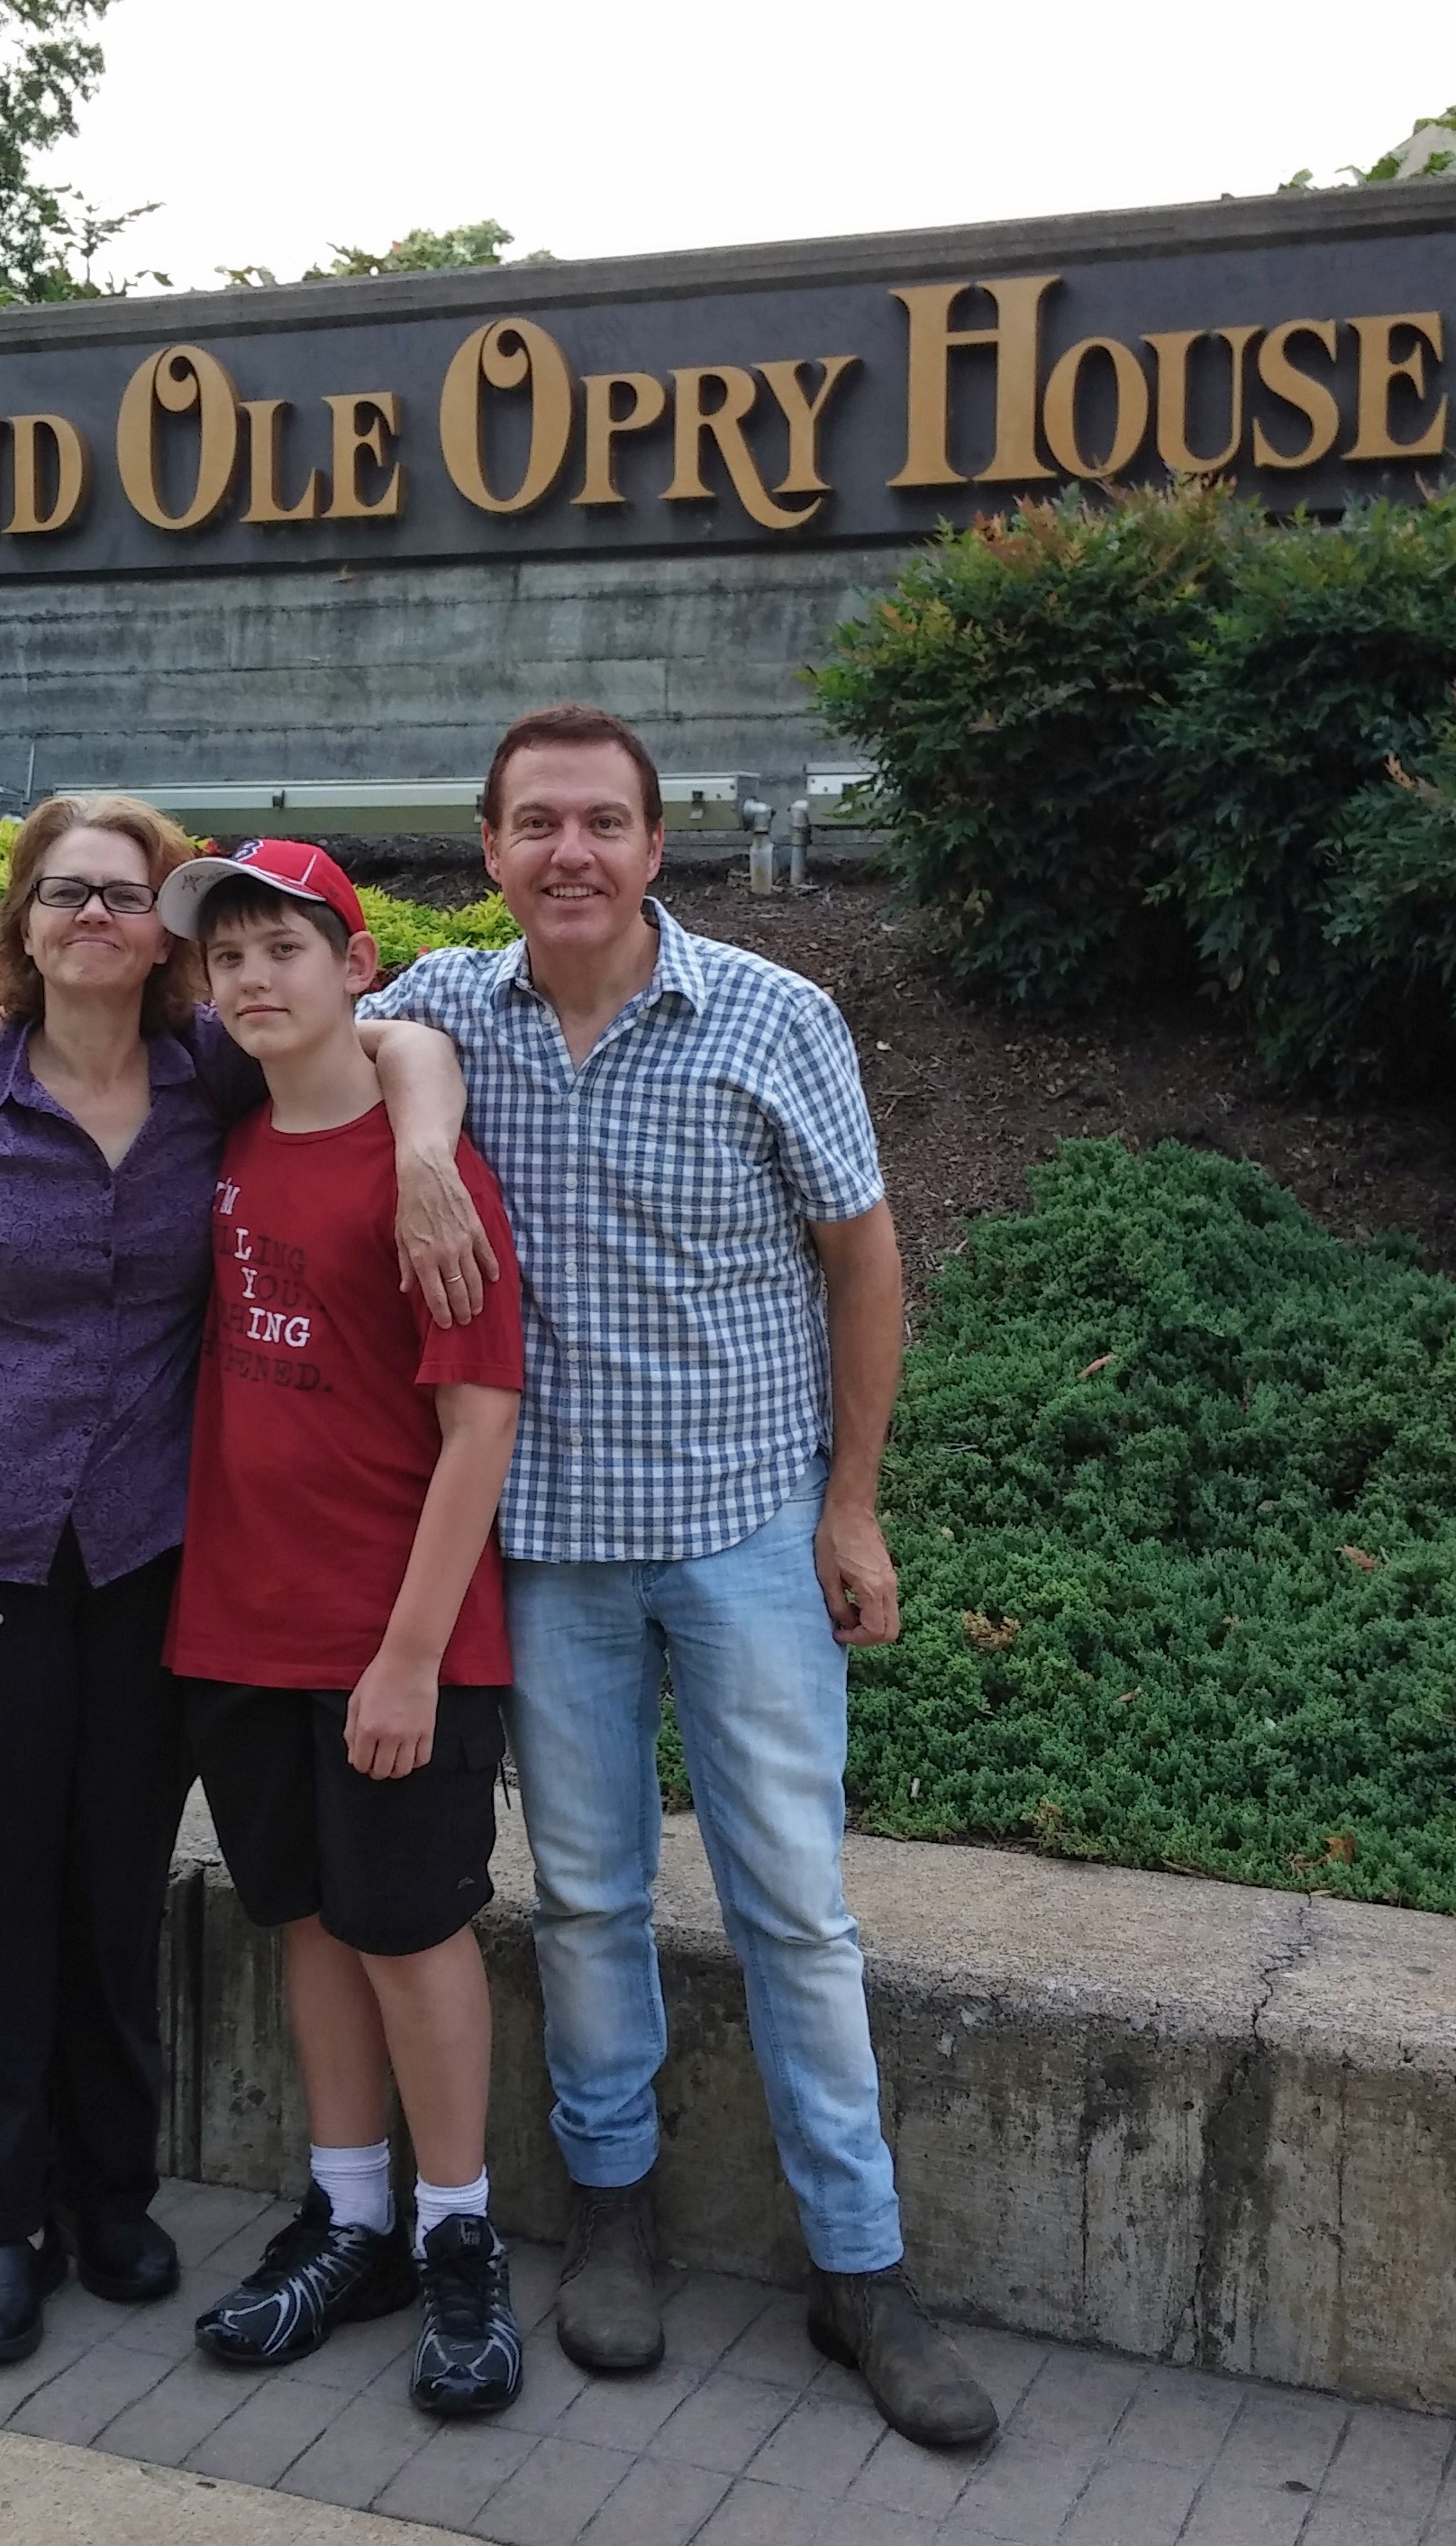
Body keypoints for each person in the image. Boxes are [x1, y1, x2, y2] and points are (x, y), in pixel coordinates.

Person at [355, 706, 999, 2451]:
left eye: (603, 822)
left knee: (793, 1903)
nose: (570, 851)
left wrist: (851, 1507)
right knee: (584, 1898)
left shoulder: (772, 1018)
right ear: (488, 850)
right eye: (536, 822)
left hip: (744, 1534)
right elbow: (268, 1029)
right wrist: (416, 1140)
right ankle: (613, 2213)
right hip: (549, 1549)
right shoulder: (443, 1005)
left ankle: (860, 2265)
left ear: (656, 846)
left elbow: (864, 1263)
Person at [0, 796, 487, 2371]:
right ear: (24, 917)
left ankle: (111, 2194)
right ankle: (3, 2220)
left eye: (123, 895)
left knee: (117, 1876)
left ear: (162, 937)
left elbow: (394, 1037)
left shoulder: (215, 1066)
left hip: (148, 1550)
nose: (93, 915)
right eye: (63, 891)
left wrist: (422, 1150)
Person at [153, 841, 528, 2418]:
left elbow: (480, 1422)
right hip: (242, 1624)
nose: (250, 978)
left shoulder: (426, 1171)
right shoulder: (226, 1132)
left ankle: (457, 2232)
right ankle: (350, 2214)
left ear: (356, 966)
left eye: (283, 948)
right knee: (309, 1918)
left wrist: (409, 1654)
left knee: (410, 1929)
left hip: (397, 1639)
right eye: (226, 955)